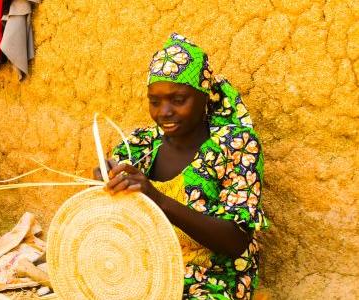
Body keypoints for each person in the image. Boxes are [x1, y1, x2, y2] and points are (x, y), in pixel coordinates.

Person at [94, 33, 268, 299]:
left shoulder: (236, 145)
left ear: (204, 96)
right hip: (149, 268)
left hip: (213, 279)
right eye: (155, 101)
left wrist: (157, 198)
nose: (164, 112)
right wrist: (107, 181)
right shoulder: (143, 143)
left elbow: (235, 242)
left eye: (178, 100)